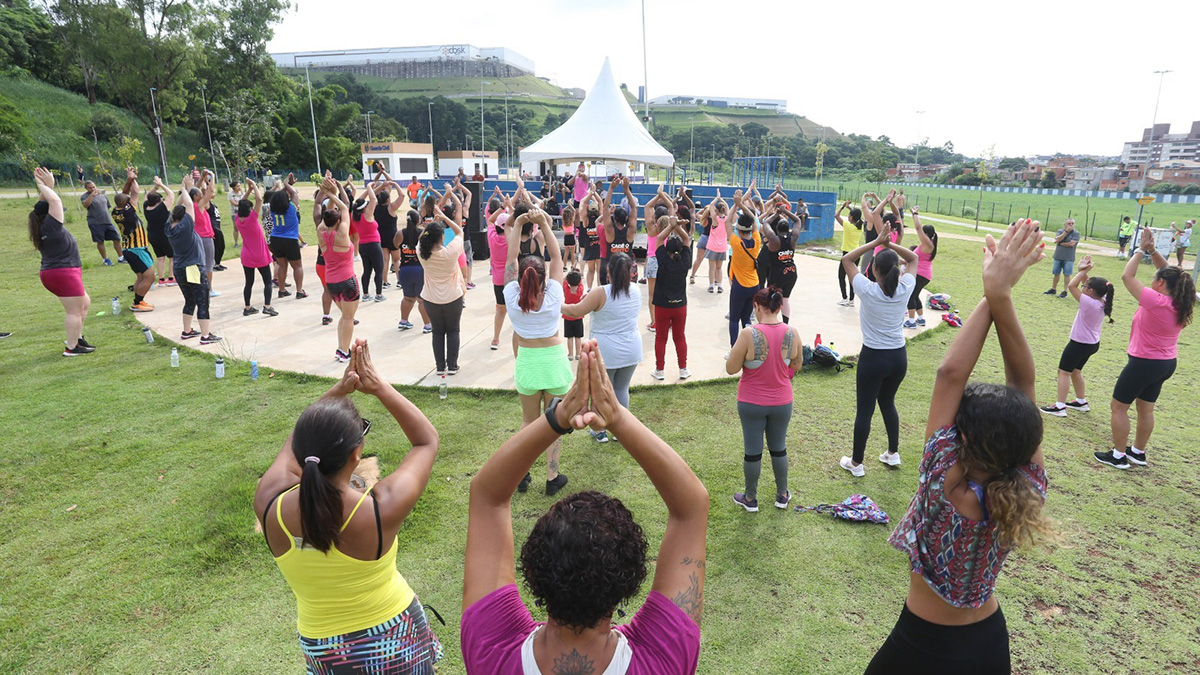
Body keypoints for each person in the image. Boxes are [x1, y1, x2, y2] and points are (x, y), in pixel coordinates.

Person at [865, 219, 1052, 675]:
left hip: (920, 645)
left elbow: (952, 374)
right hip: (987, 645)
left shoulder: (944, 486)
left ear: (962, 438)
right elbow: (1022, 383)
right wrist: (998, 292)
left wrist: (995, 293)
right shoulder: (1028, 487)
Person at [461, 342, 706, 675]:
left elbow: (487, 496)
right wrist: (617, 417)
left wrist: (557, 418)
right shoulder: (662, 661)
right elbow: (691, 507)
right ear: (629, 582)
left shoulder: (493, 650)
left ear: (533, 571)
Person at [253, 340, 443, 674]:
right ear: (357, 454)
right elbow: (426, 440)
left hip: (322, 648)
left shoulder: (269, 501)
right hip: (394, 639)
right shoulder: (378, 511)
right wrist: (379, 386)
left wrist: (338, 391)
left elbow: (301, 437)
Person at [1095, 228, 1196, 469]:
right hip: (1165, 363)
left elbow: (1127, 277)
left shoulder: (1156, 300)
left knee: (1119, 407)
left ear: (1160, 283)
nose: (1152, 279)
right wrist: (1153, 250)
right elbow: (1176, 274)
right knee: (1145, 409)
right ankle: (1138, 452)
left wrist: (1140, 250)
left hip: (1144, 363)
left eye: (1156, 278)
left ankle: (1119, 455)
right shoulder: (1181, 300)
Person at [840, 221, 918, 476]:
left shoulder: (867, 289)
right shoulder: (905, 287)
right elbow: (914, 258)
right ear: (896, 269)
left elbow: (848, 260)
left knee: (865, 410)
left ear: (873, 269)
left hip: (873, 358)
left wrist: (876, 242)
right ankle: (892, 454)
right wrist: (889, 244)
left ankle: (857, 463)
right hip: (898, 357)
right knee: (887, 402)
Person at [504, 207, 571, 496]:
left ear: (520, 277)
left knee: (528, 422)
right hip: (554, 362)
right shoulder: (555, 292)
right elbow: (556, 257)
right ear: (543, 277)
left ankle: (520, 473)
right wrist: (544, 221)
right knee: (552, 423)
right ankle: (552, 477)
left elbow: (509, 259)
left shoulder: (510, 294)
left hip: (528, 362)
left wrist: (518, 225)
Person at [726, 286, 802, 512]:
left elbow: (731, 368)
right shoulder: (792, 332)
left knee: (753, 450)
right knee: (779, 448)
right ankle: (782, 494)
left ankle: (750, 498)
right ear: (779, 307)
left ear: (756, 307)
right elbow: (797, 364)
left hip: (751, 402)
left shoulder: (748, 334)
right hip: (782, 401)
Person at [563, 253, 642, 444]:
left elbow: (575, 311)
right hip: (631, 347)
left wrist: (554, 304)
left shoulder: (601, 292)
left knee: (598, 391)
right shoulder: (636, 289)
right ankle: (620, 430)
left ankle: (599, 431)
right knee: (621, 389)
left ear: (608, 271)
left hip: (606, 351)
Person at [31, 167, 94, 356]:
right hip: (62, 273)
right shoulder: (52, 226)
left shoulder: (40, 223)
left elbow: (42, 206)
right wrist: (43, 185)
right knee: (74, 311)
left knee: (85, 302)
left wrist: (46, 187)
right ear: (50, 214)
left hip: (58, 272)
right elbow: (55, 201)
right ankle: (72, 347)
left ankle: (77, 338)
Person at [1040, 255, 1111, 417]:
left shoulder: (1088, 303)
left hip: (1079, 343)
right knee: (1076, 371)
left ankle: (1059, 406)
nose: (1083, 286)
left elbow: (1072, 285)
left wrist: (1083, 271)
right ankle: (1081, 401)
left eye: (1085, 286)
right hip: (1092, 344)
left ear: (1090, 291)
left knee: (1063, 372)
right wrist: (1084, 272)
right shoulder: (1103, 299)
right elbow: (1092, 285)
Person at [163, 174, 221, 345]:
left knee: (189, 300)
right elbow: (188, 204)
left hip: (180, 269)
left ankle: (187, 331)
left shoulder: (169, 227)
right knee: (203, 300)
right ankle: (205, 335)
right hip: (193, 268)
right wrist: (186, 188)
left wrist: (185, 189)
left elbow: (181, 205)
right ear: (185, 217)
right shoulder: (186, 226)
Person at [418, 188, 466, 376]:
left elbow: (422, 239)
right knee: (453, 331)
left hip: (430, 300)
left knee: (437, 333)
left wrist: (433, 223)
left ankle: (440, 367)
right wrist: (444, 219)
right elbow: (459, 231)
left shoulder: (422, 254)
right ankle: (452, 366)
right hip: (453, 297)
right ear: (442, 237)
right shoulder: (450, 252)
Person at [315, 178, 360, 363]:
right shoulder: (342, 234)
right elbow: (345, 209)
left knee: (344, 316)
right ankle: (343, 351)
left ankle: (342, 349)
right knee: (349, 318)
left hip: (332, 282)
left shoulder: (321, 234)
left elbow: (330, 214)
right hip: (348, 281)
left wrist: (327, 194)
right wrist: (333, 193)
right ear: (338, 222)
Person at [652, 214, 693, 381]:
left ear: (667, 250)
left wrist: (671, 225)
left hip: (662, 305)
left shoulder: (663, 260)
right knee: (679, 337)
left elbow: (660, 237)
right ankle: (683, 369)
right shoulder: (685, 261)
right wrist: (677, 227)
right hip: (680, 306)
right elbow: (686, 238)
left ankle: (659, 370)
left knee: (661, 337)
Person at [111, 167, 156, 313]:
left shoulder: (116, 211)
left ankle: (139, 301)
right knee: (149, 276)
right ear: (127, 203)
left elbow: (124, 194)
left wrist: (130, 179)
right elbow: (134, 192)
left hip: (128, 249)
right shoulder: (129, 211)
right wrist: (132, 179)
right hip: (137, 249)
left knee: (140, 277)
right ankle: (137, 303)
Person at [235, 179, 277, 317]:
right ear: (249, 210)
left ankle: (247, 308)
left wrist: (247, 190)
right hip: (259, 255)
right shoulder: (252, 218)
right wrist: (252, 184)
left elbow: (242, 202)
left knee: (249, 283)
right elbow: (259, 199)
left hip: (246, 255)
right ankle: (267, 306)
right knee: (267, 282)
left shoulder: (238, 219)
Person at [726, 197, 762, 346]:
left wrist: (736, 205)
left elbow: (727, 222)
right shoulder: (757, 240)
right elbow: (755, 221)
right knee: (746, 319)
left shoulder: (736, 243)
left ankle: (734, 348)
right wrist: (743, 206)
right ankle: (750, 347)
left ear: (739, 230)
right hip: (754, 285)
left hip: (740, 285)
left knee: (734, 319)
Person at [760, 202, 802, 323]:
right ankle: (785, 324)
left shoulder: (774, 240)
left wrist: (776, 213)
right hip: (791, 273)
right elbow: (798, 221)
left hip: (777, 275)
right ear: (788, 228)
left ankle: (770, 321)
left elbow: (766, 223)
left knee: (771, 299)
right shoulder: (793, 238)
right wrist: (785, 211)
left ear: (777, 229)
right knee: (785, 300)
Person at [269, 174, 307, 299]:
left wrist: (286, 185)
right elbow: (294, 193)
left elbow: (279, 196)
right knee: (297, 266)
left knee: (282, 265)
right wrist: (287, 183)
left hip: (275, 239)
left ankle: (281, 290)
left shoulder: (273, 209)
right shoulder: (291, 207)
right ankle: (299, 291)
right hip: (289, 240)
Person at [396, 210, 432, 333]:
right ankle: (428, 325)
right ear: (418, 220)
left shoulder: (400, 233)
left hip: (405, 269)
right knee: (421, 300)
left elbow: (395, 245)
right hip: (418, 269)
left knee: (407, 298)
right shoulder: (421, 233)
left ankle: (403, 321)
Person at [903, 207, 938, 328]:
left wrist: (915, 214)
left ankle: (911, 322)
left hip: (921, 274)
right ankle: (921, 319)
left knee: (910, 296)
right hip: (923, 274)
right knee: (915, 295)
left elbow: (918, 228)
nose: (920, 234)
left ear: (927, 234)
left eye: (923, 233)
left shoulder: (928, 244)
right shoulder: (928, 244)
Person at [351, 188, 384, 302]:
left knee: (367, 271)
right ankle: (378, 295)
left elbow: (359, 201)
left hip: (363, 246)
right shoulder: (367, 214)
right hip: (374, 245)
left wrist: (372, 188)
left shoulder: (354, 216)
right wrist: (369, 187)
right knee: (378, 270)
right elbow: (373, 199)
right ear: (365, 207)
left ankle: (365, 294)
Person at [80, 179, 124, 265]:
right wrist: (91, 196)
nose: (92, 189)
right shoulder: (85, 196)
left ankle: (121, 257)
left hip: (107, 221)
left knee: (117, 239)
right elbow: (86, 205)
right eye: (90, 188)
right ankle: (105, 259)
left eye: (93, 187)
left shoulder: (102, 195)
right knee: (100, 241)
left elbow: (107, 206)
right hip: (95, 223)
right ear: (86, 189)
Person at [189, 170, 219, 296]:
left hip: (195, 238)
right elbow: (210, 192)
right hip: (205, 238)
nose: (202, 193)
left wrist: (201, 178)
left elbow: (194, 190)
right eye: (200, 193)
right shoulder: (199, 205)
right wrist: (212, 176)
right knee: (208, 264)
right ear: (196, 197)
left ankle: (197, 288)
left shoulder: (189, 205)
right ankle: (209, 289)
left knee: (197, 264)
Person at [373, 179, 405, 291]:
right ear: (388, 199)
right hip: (393, 237)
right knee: (397, 260)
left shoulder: (375, 207)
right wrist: (396, 184)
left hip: (381, 237)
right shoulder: (390, 207)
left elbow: (372, 194)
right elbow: (402, 195)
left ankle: (384, 282)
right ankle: (399, 281)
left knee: (385, 261)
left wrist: (381, 186)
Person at [144, 186, 175, 287]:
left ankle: (161, 279)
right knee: (172, 256)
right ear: (158, 201)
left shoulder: (146, 207)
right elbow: (171, 195)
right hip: (164, 235)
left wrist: (155, 188)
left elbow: (147, 196)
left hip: (152, 235)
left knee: (160, 257)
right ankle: (171, 278)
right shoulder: (162, 208)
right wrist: (161, 185)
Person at [835, 200, 863, 306]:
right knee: (852, 278)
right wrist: (850, 208)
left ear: (851, 217)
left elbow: (836, 215)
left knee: (841, 276)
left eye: (849, 215)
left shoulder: (848, 226)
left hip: (847, 254)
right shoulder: (861, 226)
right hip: (856, 254)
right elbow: (858, 218)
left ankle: (844, 298)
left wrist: (843, 206)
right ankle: (851, 300)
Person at [1044, 218, 1080, 298]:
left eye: (1072, 223)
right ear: (1065, 224)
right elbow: (1057, 239)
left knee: (1067, 274)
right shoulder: (1060, 231)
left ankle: (1065, 291)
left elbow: (1071, 244)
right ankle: (1053, 289)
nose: (1071, 225)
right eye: (1069, 223)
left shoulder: (1076, 233)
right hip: (1058, 256)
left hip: (1069, 257)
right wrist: (1066, 232)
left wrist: (1060, 243)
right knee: (1056, 273)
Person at [703, 195, 729, 294]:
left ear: (717, 211)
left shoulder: (715, 219)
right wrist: (722, 199)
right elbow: (727, 206)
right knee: (719, 268)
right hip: (722, 247)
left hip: (712, 246)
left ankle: (710, 286)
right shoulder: (727, 220)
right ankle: (719, 286)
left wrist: (717, 198)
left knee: (712, 267)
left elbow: (710, 205)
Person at [563, 268, 585, 360]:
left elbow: (564, 281)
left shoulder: (566, 290)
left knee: (569, 337)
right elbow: (580, 282)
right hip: (578, 316)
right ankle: (578, 354)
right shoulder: (580, 290)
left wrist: (568, 275)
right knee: (578, 337)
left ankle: (570, 354)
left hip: (568, 316)